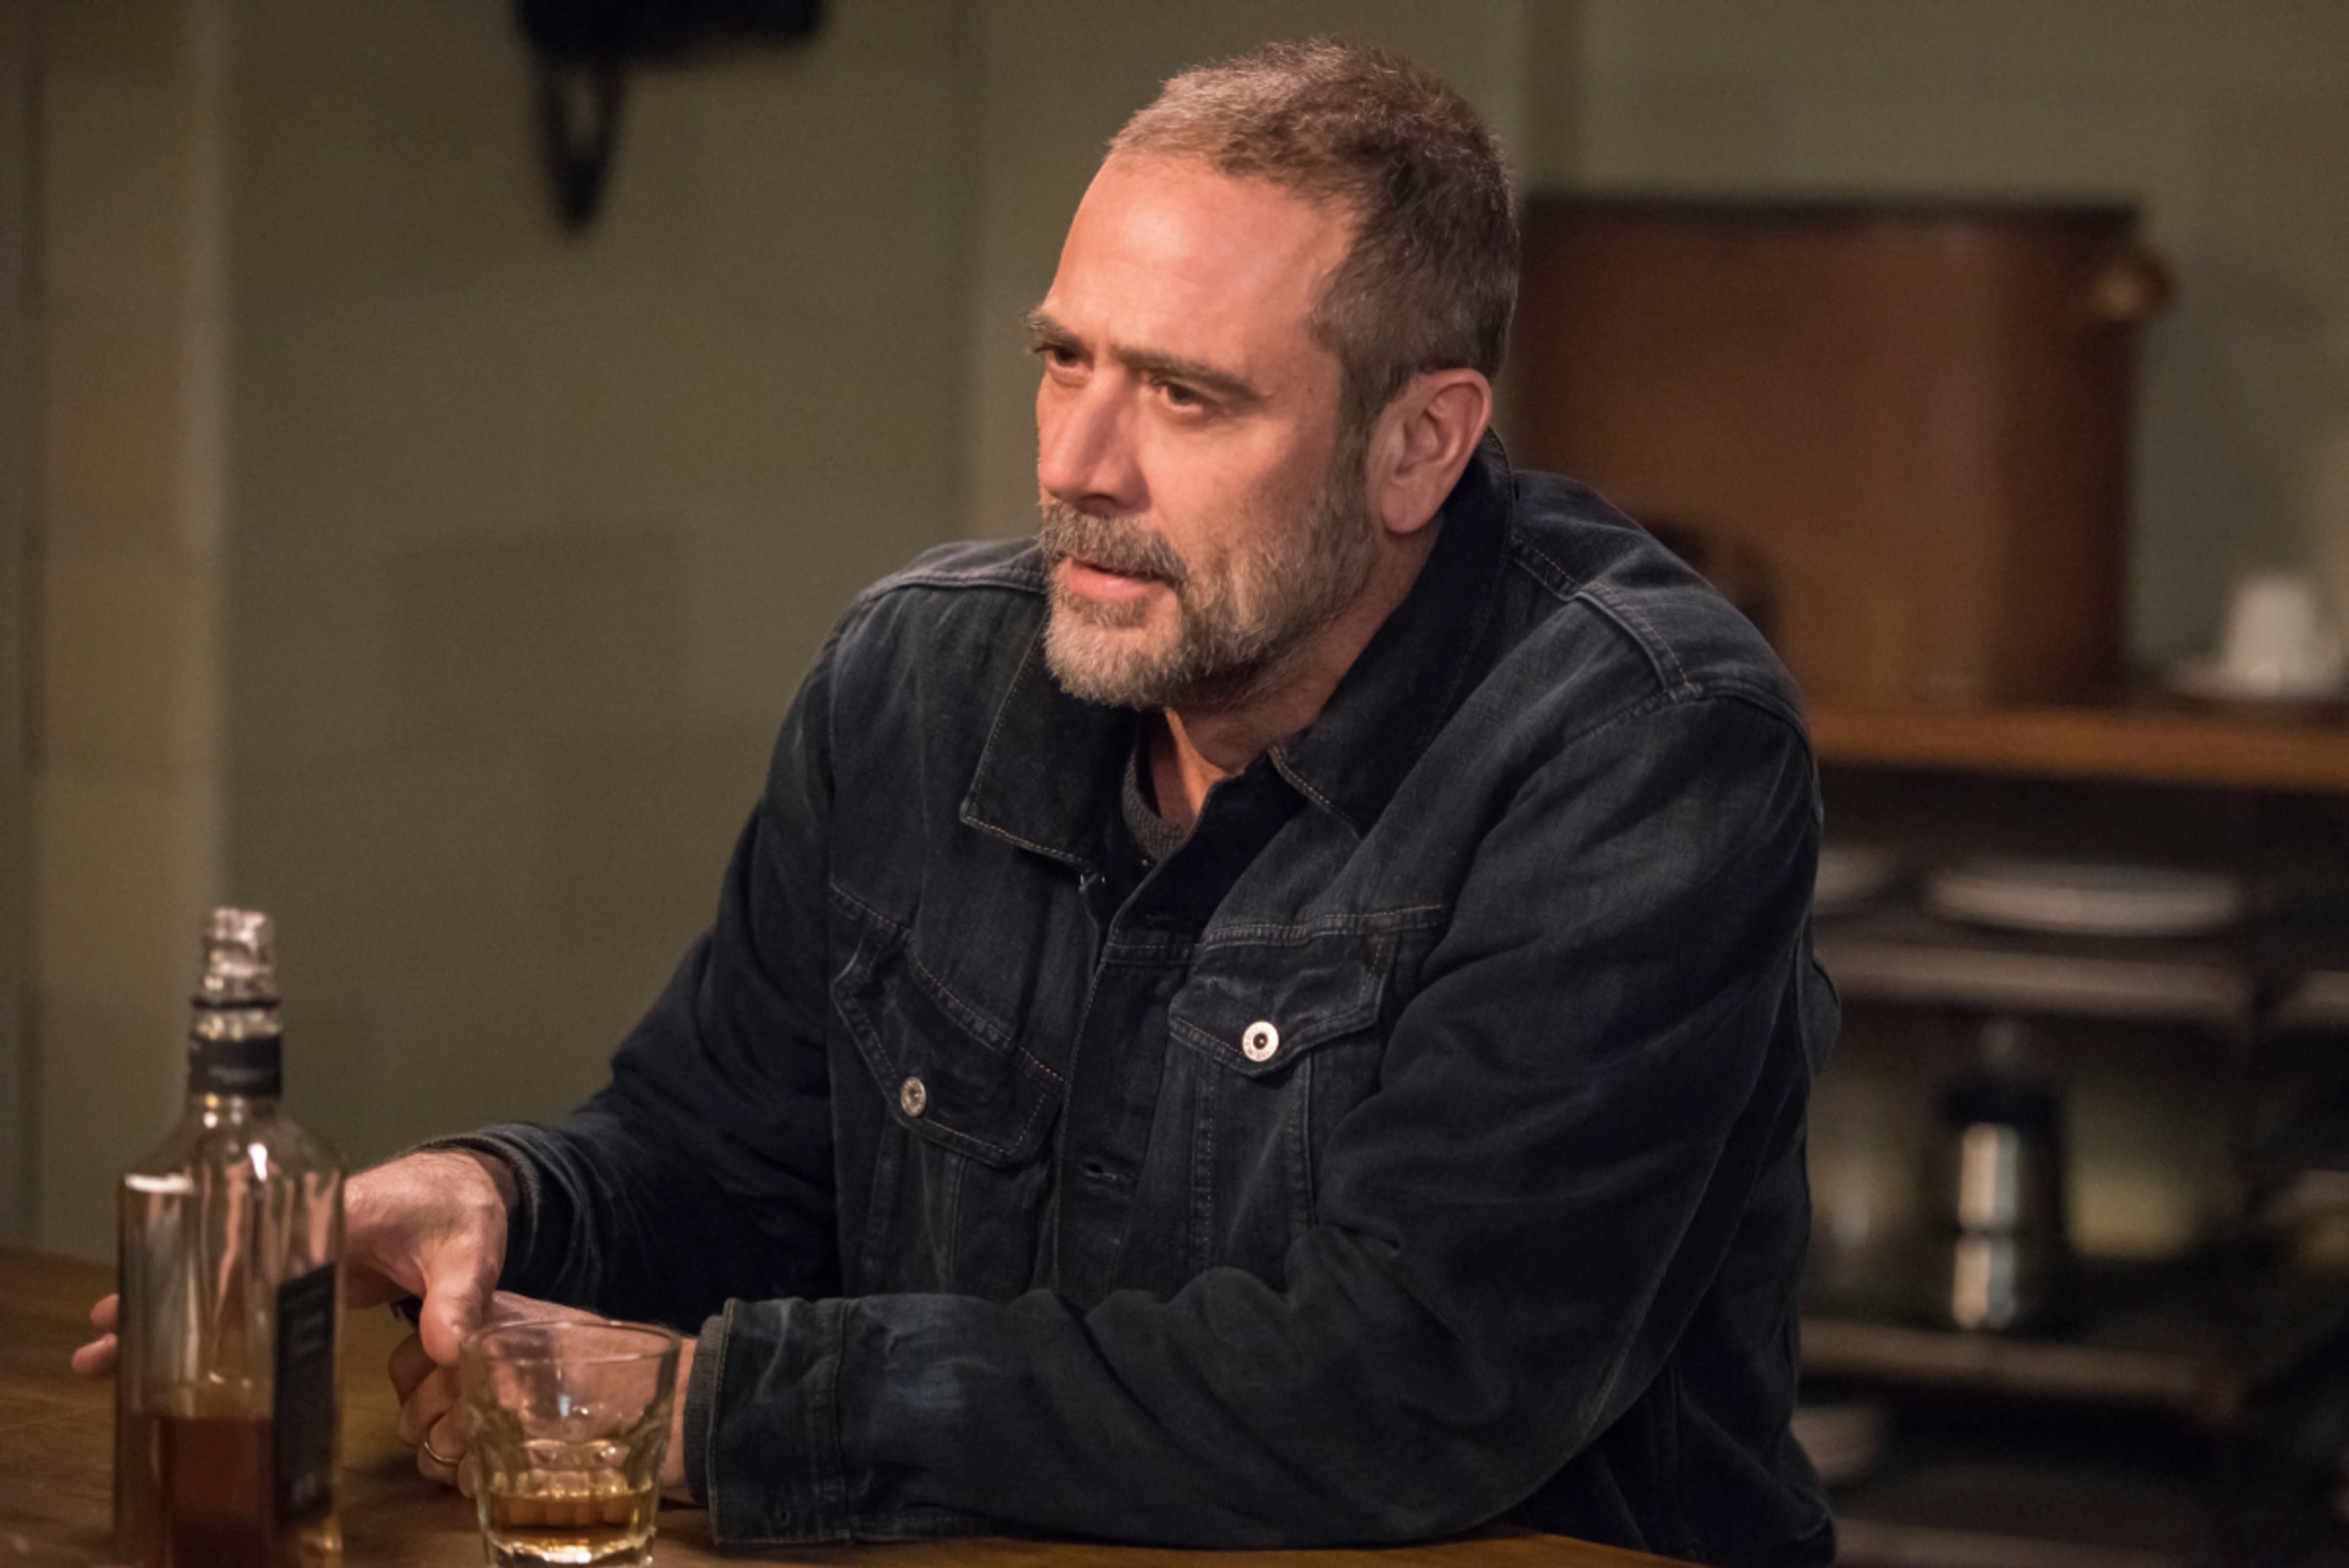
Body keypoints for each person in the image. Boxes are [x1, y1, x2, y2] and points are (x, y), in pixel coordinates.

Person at [81, 39, 1837, 1566]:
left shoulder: (1642, 746)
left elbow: (1412, 1375)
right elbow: (732, 1162)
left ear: (1420, 445)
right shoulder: (920, 677)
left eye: (1184, 394)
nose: (1078, 464)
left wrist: (732, 1411)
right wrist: (508, 1201)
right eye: (1067, 360)